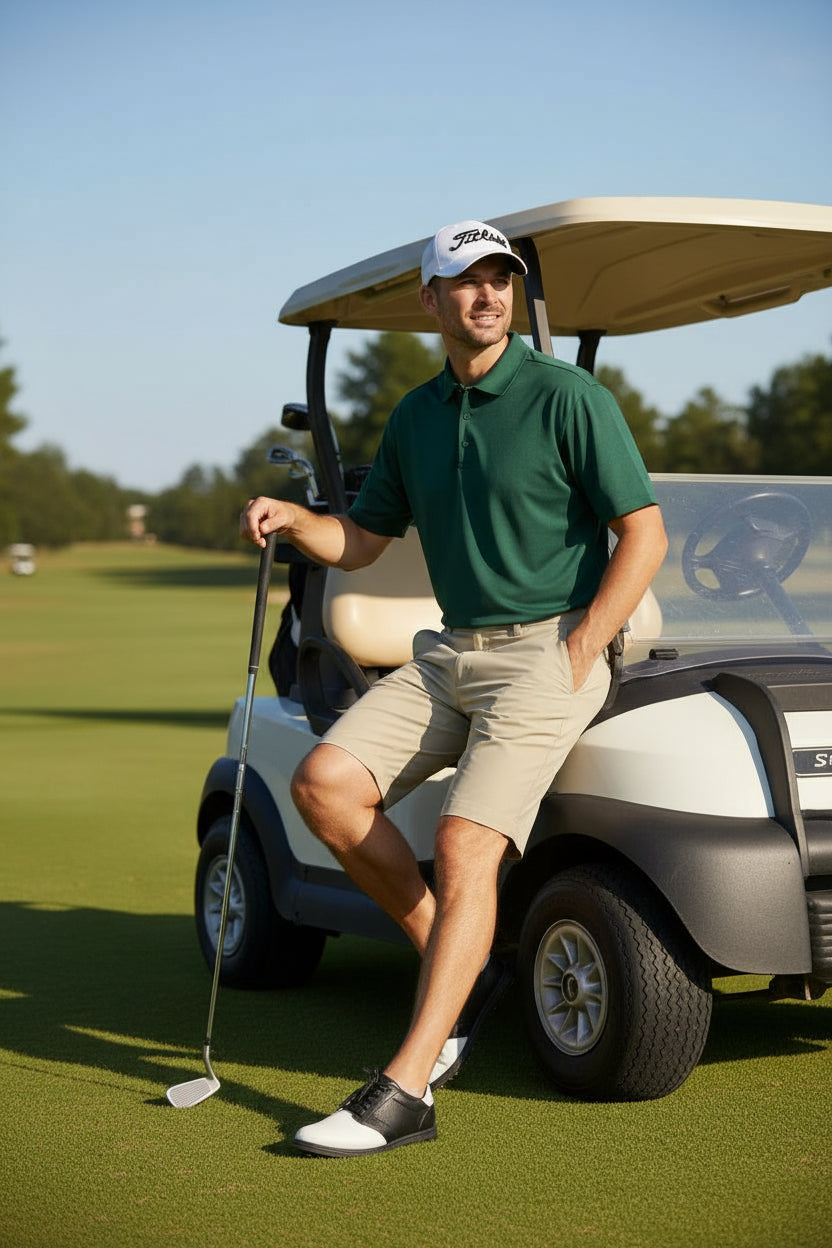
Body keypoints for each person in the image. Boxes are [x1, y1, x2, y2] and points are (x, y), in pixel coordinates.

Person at [240, 219, 667, 1158]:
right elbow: (364, 542)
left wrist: (585, 644)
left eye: (499, 280)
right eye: (465, 283)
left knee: (469, 841)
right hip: (450, 652)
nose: (486, 296)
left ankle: (406, 1091)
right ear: (429, 302)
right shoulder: (416, 415)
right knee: (323, 786)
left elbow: (642, 531)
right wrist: (295, 519)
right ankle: (459, 961)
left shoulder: (567, 397)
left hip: (549, 650)